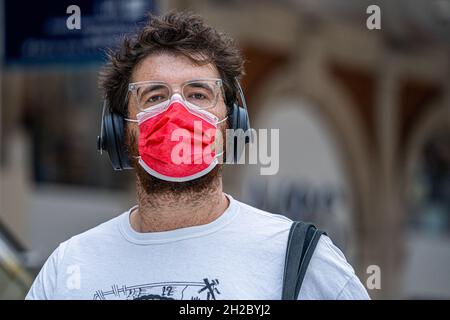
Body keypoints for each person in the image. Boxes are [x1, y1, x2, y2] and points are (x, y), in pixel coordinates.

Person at [26, 11, 369, 300]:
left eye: (199, 94)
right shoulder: (68, 269)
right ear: (120, 130)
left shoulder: (299, 260)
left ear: (232, 122)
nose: (178, 110)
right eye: (155, 96)